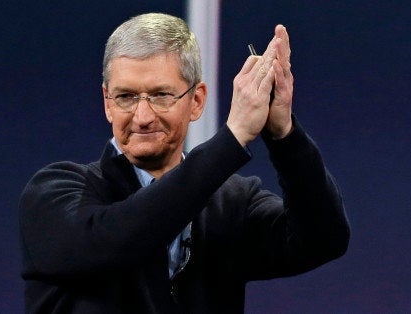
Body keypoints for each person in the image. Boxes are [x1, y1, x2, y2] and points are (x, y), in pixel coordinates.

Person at [19, 12, 349, 313]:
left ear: (197, 101)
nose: (142, 116)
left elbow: (323, 239)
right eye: (126, 97)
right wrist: (231, 139)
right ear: (107, 103)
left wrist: (284, 134)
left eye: (161, 95)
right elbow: (117, 241)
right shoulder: (54, 194)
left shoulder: (231, 203)